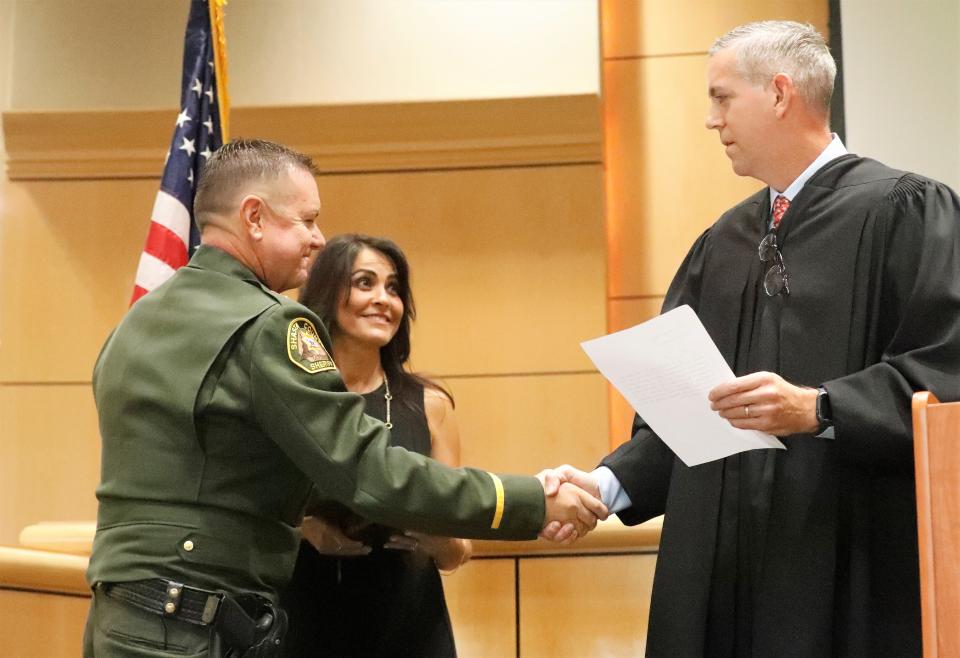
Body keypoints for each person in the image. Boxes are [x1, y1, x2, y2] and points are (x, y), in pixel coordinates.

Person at [82, 139, 606, 657]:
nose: (318, 237)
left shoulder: (136, 324)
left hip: (119, 622)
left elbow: (218, 467)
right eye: (306, 220)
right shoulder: (270, 326)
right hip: (201, 631)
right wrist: (530, 501)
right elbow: (367, 472)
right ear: (255, 217)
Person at [545, 20, 960, 657]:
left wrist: (820, 408)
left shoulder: (904, 210)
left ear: (779, 93)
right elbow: (680, 412)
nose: (711, 120)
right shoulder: (724, 242)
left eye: (721, 97)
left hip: (848, 563)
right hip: (722, 573)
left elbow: (946, 371)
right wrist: (603, 486)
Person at [280, 234, 469, 657]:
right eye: (365, 283)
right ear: (328, 293)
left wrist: (435, 539)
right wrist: (307, 531)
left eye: (394, 288)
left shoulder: (432, 405)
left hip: (409, 626)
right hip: (304, 619)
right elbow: (248, 514)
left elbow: (458, 548)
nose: (384, 299)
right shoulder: (290, 394)